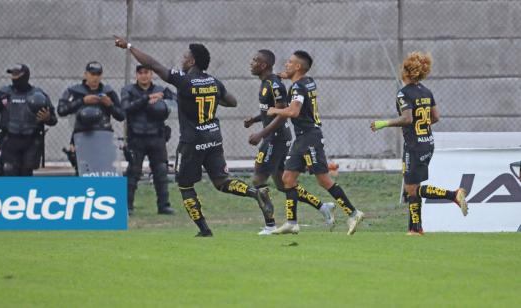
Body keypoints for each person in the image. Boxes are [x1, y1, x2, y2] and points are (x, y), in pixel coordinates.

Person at [114, 36, 273, 237]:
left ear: (192, 62)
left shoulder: (184, 80)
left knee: (185, 184)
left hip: (191, 142)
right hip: (214, 138)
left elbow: (152, 64)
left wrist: (129, 46)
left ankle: (204, 230)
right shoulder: (214, 81)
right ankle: (255, 193)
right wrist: (209, 96)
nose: (182, 59)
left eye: (185, 56)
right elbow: (232, 102)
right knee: (222, 180)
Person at [267, 50, 365, 235]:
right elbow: (300, 88)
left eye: (289, 62)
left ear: (298, 67)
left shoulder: (297, 88)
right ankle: (291, 223)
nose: (285, 65)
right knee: (287, 179)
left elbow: (294, 112)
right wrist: (286, 76)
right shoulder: (308, 81)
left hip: (310, 138)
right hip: (302, 138)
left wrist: (274, 111)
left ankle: (353, 213)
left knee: (324, 180)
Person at [370, 51, 468, 235]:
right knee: (412, 187)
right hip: (427, 142)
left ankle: (453, 195)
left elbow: (407, 118)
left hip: (414, 145)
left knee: (411, 188)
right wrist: (421, 126)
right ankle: (415, 228)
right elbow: (436, 117)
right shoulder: (426, 91)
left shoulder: (403, 93)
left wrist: (384, 123)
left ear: (405, 72)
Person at [244, 49, 336, 235]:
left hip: (276, 138)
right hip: (274, 137)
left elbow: (283, 114)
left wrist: (261, 133)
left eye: (255, 60)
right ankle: (322, 207)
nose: (251, 63)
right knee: (283, 184)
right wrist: (255, 119)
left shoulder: (275, 85)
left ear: (263, 65)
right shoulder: (266, 82)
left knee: (258, 179)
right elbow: (269, 111)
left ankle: (270, 225)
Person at [121, 64, 176, 215]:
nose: (144, 76)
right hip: (136, 137)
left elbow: (177, 102)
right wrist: (146, 99)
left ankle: (164, 205)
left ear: (152, 74)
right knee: (133, 172)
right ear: (136, 75)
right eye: (140, 73)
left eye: (147, 73)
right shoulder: (128, 90)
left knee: (161, 171)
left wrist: (164, 99)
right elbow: (124, 109)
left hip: (157, 137)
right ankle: (127, 206)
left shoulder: (161, 90)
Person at [0, 64, 57, 176]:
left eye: (17, 73)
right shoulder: (4, 94)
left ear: (25, 75)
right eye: (12, 73)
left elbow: (53, 119)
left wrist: (47, 118)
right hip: (9, 140)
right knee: (7, 172)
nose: (14, 76)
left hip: (31, 141)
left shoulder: (38, 95)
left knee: (26, 173)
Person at [57, 61, 125, 175]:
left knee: (104, 171)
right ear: (85, 74)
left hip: (103, 138)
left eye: (98, 75)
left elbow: (121, 116)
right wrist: (82, 101)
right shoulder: (74, 91)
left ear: (101, 76)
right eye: (92, 74)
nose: (95, 78)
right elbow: (61, 110)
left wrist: (110, 104)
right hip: (82, 136)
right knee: (83, 172)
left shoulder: (108, 92)